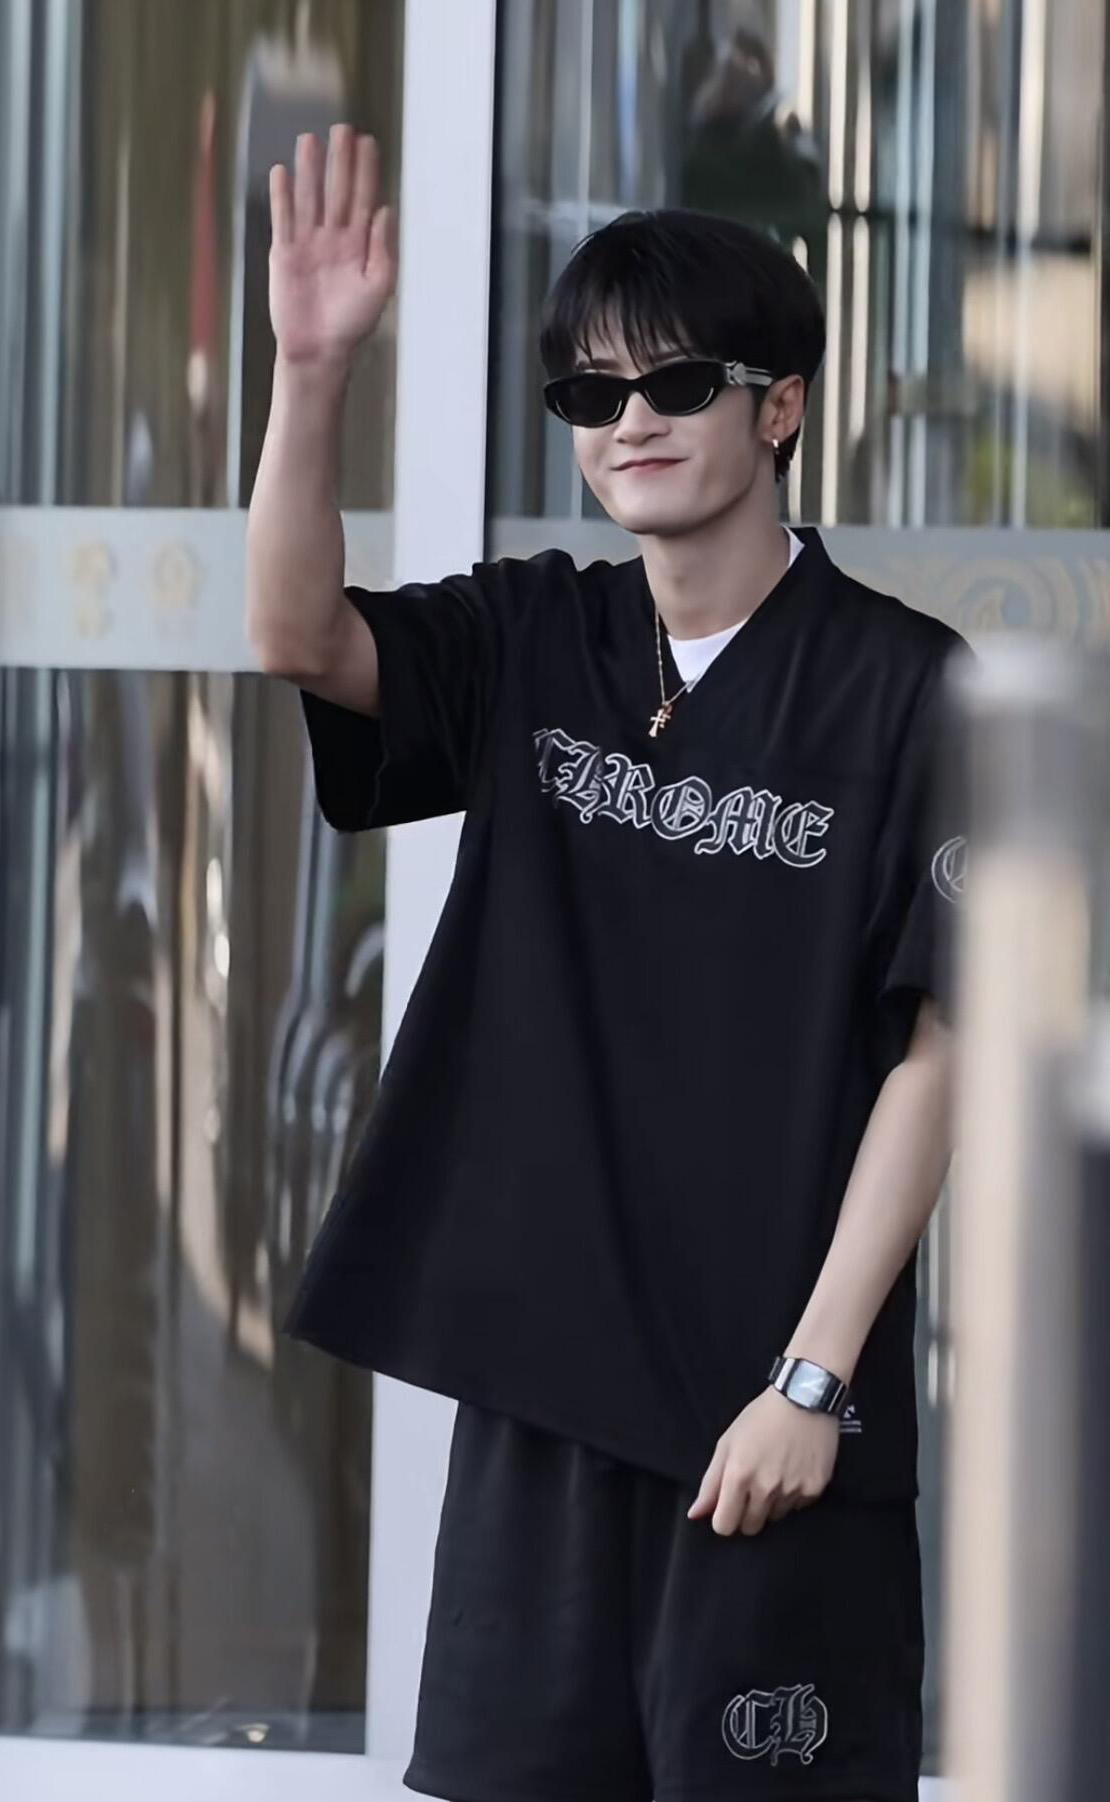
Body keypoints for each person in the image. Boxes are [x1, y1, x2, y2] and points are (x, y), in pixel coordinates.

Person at [247, 124, 972, 1802]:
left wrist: (812, 1377)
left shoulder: (909, 689)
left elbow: (945, 1054)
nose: (629, 419)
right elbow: (297, 633)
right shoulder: (540, 634)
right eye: (590, 392)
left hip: (772, 1426)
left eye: (677, 382)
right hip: (544, 1412)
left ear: (780, 407)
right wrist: (311, 370)